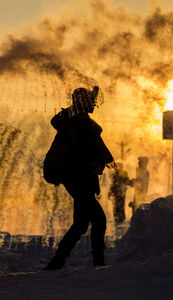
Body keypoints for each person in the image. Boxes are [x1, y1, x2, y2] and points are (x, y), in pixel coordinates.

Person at [43, 86, 114, 270]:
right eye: (89, 101)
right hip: (76, 179)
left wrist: (102, 161)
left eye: (93, 101)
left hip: (83, 180)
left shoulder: (85, 124)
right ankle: (98, 261)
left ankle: (58, 261)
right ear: (81, 103)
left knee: (81, 224)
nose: (94, 105)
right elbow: (59, 123)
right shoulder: (73, 122)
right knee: (98, 219)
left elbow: (96, 148)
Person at [109, 161, 133, 225]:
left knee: (119, 204)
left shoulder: (120, 173)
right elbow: (113, 183)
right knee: (118, 204)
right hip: (118, 191)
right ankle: (119, 218)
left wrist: (131, 183)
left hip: (120, 191)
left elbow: (125, 180)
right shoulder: (115, 173)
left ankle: (119, 218)